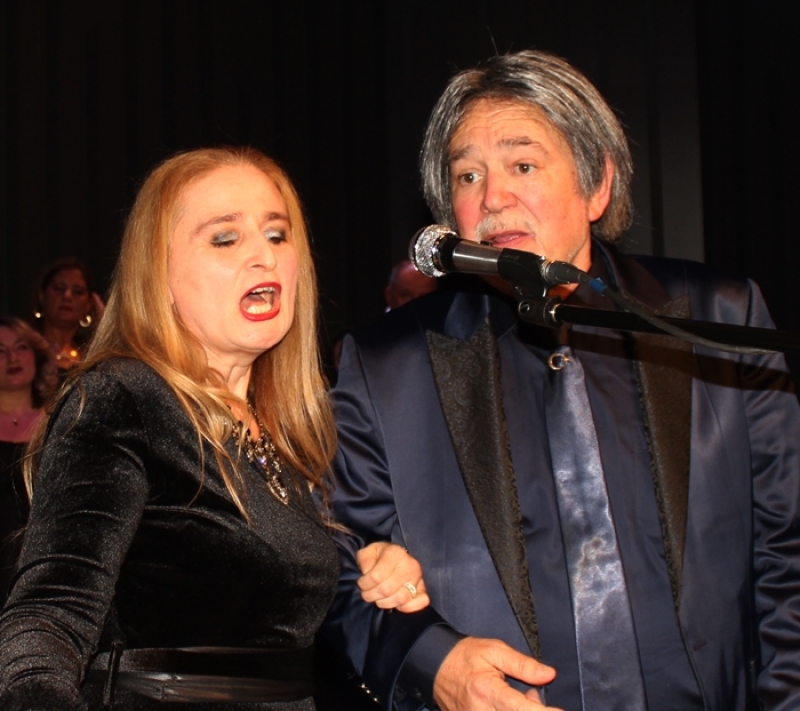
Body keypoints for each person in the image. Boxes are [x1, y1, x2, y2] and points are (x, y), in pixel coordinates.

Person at [326, 50, 800, 711]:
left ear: (597, 183)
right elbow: (335, 573)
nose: (493, 198)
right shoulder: (385, 366)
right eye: (467, 176)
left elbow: (787, 557)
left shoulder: (720, 318)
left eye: (522, 165)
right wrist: (434, 663)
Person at [0, 147, 430, 711]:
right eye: (225, 239)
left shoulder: (277, 428)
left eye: (277, 235)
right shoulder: (123, 398)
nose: (264, 256)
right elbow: (48, 615)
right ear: (159, 274)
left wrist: (366, 562)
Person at [0, 316, 52, 602]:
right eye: (0, 351)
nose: (13, 358)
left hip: (44, 564)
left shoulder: (60, 420)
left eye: (21, 347)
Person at [32, 257, 103, 375]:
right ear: (42, 296)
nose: (67, 296)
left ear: (89, 304)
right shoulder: (24, 349)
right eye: (59, 289)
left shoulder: (93, 358)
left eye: (78, 291)